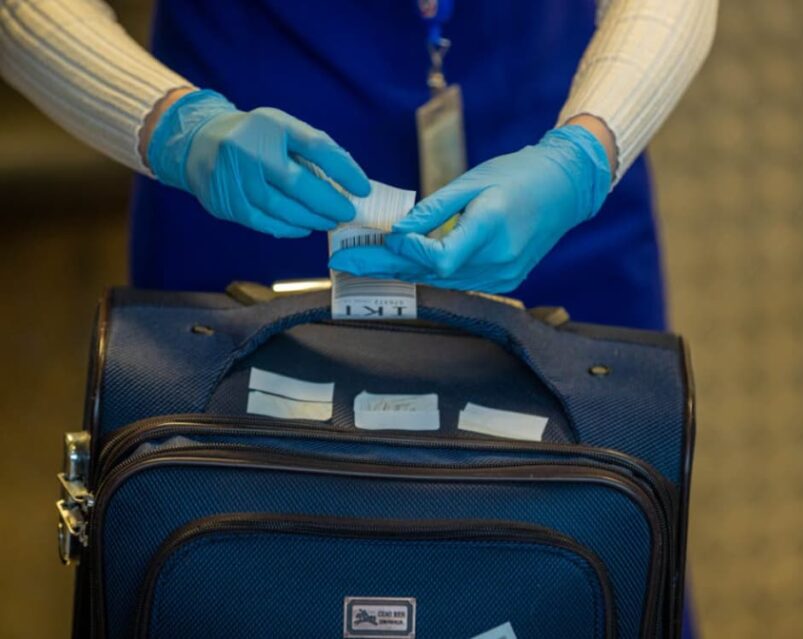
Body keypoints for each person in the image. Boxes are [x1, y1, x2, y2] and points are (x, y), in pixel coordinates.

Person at [0, 0, 716, 634]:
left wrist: (588, 151)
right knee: (233, 560)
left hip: (551, 165)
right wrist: (167, 125)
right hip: (250, 181)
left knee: (593, 552)